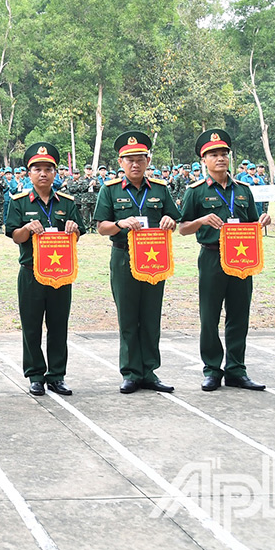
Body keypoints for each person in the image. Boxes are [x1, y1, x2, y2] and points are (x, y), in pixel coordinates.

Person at [177, 131, 272, 392]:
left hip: (242, 257)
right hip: (212, 256)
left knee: (239, 314)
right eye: (213, 155)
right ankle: (211, 369)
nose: (220, 158)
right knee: (210, 315)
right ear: (203, 160)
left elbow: (252, 220)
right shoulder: (195, 192)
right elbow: (183, 227)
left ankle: (236, 369)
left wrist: (262, 222)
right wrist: (201, 221)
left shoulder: (243, 190)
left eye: (223, 154)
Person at [93, 130, 181, 394]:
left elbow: (174, 219)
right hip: (124, 256)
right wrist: (119, 223)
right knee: (129, 316)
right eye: (129, 159)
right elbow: (101, 226)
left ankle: (150, 371)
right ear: (120, 162)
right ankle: (131, 372)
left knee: (151, 315)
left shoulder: (161, 189)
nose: (135, 164)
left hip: (155, 258)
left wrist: (169, 222)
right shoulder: (109, 191)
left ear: (148, 160)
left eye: (140, 159)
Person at [5, 143, 83, 397]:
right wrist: (27, 229)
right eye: (37, 169)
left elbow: (78, 232)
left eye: (48, 169)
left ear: (55, 173)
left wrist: (73, 228)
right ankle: (36, 374)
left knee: (59, 325)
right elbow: (15, 236)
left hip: (61, 273)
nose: (43, 174)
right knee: (32, 325)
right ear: (29, 173)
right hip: (31, 273)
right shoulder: (18, 203)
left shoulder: (68, 203)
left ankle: (57, 375)